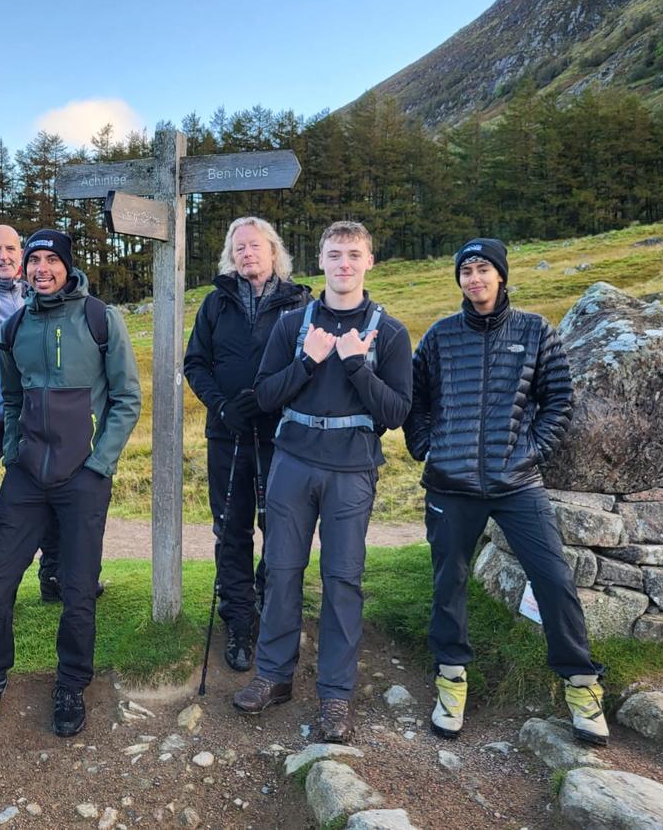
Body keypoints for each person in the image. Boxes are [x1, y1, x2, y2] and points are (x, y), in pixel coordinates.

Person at [403, 238, 609, 745]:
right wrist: (429, 447)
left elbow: (560, 398)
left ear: (501, 275)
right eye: (466, 270)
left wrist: (529, 450)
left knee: (553, 578)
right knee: (448, 581)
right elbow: (414, 398)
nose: (474, 278)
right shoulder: (440, 335)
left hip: (518, 482)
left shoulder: (535, 330)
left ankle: (581, 685)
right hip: (450, 484)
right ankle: (451, 680)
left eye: (483, 269)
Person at [232, 221, 412, 744]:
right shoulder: (293, 325)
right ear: (321, 261)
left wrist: (357, 366)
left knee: (343, 580)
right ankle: (273, 676)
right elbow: (265, 396)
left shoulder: (389, 332)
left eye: (354, 255)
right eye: (335, 255)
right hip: (292, 461)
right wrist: (308, 362)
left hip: (352, 469)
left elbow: (397, 412)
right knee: (282, 570)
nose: (345, 264)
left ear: (369, 261)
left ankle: (336, 695)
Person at [0, 229, 141, 738]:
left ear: (67, 265)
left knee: (79, 589)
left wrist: (98, 465)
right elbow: (14, 400)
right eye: (34, 260)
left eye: (51, 260)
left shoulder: (99, 318)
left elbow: (127, 397)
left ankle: (71, 684)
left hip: (83, 477)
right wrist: (16, 453)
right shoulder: (17, 324)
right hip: (27, 477)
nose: (42, 269)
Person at [183, 216, 310, 671]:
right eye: (239, 248)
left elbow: (309, 368)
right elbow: (195, 363)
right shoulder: (216, 304)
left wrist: (269, 401)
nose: (247, 253)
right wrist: (221, 407)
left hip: (284, 438)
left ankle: (270, 611)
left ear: (274, 251)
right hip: (227, 436)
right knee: (231, 529)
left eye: (255, 246)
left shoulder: (300, 304)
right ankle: (238, 618)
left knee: (280, 530)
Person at [0, 224, 67, 639]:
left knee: (47, 495)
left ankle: (53, 577)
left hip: (30, 418)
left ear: (21, 254)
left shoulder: (37, 292)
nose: (3, 256)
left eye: (10, 248)